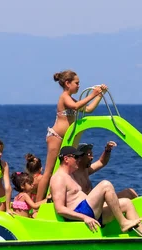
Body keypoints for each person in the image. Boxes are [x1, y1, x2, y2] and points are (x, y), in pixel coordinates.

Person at [35, 69, 108, 202]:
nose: (79, 85)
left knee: (60, 171)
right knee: (49, 172)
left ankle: (51, 199)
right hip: (56, 137)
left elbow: (88, 109)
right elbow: (75, 106)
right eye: (77, 83)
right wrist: (92, 94)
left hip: (65, 139)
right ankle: (37, 204)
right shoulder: (64, 97)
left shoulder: (71, 98)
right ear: (68, 83)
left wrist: (99, 95)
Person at [50, 146, 142, 236]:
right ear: (66, 159)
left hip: (90, 212)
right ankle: (123, 223)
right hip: (81, 213)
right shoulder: (58, 178)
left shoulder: (70, 175)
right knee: (105, 185)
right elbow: (60, 209)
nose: (78, 160)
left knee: (126, 202)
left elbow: (102, 162)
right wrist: (84, 217)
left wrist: (107, 150)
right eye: (76, 157)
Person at [73, 141, 139, 199]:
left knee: (130, 192)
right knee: (125, 202)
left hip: (97, 204)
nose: (92, 157)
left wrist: (107, 150)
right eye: (89, 155)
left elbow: (102, 162)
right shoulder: (73, 174)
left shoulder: (86, 170)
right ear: (80, 157)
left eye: (92, 154)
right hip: (90, 209)